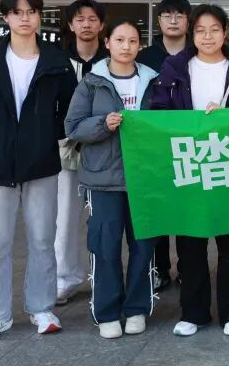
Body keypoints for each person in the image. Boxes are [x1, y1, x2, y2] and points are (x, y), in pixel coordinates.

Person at [0, 0, 77, 342]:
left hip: (42, 164)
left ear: (40, 17)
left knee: (42, 240)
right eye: (17, 12)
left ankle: (42, 308)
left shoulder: (56, 62)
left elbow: (71, 109)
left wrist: (47, 135)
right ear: (6, 17)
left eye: (31, 11)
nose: (25, 18)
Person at [149, 4, 229, 337]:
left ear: (226, 32)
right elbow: (159, 110)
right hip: (189, 163)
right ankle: (193, 312)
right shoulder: (175, 67)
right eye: (200, 31)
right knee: (190, 242)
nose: (208, 37)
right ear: (192, 34)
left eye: (214, 29)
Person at [64, 20, 158, 339]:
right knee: (104, 246)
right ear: (108, 43)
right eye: (119, 40)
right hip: (102, 179)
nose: (126, 46)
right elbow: (73, 126)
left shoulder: (152, 81)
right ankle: (106, 312)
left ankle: (136, 309)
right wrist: (103, 124)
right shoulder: (92, 82)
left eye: (132, 40)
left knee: (143, 247)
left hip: (144, 178)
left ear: (139, 45)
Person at [137, 0, 192, 293]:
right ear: (158, 21)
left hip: (188, 143)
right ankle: (158, 268)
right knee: (157, 206)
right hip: (154, 144)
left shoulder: (197, 53)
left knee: (185, 207)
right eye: (167, 15)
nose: (173, 20)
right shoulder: (145, 57)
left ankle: (186, 268)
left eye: (179, 15)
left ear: (187, 21)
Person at [55, 0, 108, 306]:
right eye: (79, 19)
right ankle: (65, 278)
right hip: (67, 148)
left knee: (105, 218)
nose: (86, 24)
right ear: (71, 25)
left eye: (92, 19)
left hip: (106, 147)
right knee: (65, 215)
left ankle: (106, 277)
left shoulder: (111, 60)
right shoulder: (58, 61)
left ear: (101, 25)